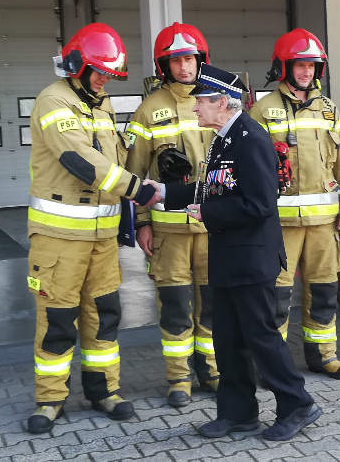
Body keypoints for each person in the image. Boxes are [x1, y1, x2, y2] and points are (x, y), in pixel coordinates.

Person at [160, 63, 321, 442]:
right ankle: (239, 413)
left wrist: (207, 212)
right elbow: (212, 186)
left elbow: (261, 203)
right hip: (230, 259)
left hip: (252, 260)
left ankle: (297, 404)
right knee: (228, 339)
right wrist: (164, 192)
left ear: (223, 103)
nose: (195, 108)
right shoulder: (224, 138)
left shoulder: (250, 139)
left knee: (262, 336)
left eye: (201, 101)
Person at [25, 22, 160, 433]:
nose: (105, 80)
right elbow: (83, 163)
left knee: (103, 317)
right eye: (100, 71)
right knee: (58, 320)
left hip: (100, 239)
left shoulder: (100, 105)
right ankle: (50, 399)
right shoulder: (54, 102)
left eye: (110, 74)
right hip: (60, 239)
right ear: (77, 66)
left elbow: (115, 159)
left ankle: (103, 391)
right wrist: (139, 189)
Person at [249, 28, 340, 380]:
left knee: (324, 290)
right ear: (284, 67)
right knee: (276, 298)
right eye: (300, 65)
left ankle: (324, 356)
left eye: (312, 66)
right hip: (279, 226)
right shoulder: (263, 110)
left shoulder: (329, 110)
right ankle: (272, 366)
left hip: (324, 224)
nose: (307, 72)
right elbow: (250, 166)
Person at [124, 22, 219, 406]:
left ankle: (211, 370)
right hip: (168, 233)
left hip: (212, 227)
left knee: (212, 305)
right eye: (177, 60)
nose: (185, 67)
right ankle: (179, 379)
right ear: (164, 65)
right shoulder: (148, 110)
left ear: (201, 60)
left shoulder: (217, 101)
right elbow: (134, 174)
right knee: (176, 307)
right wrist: (143, 224)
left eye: (190, 58)